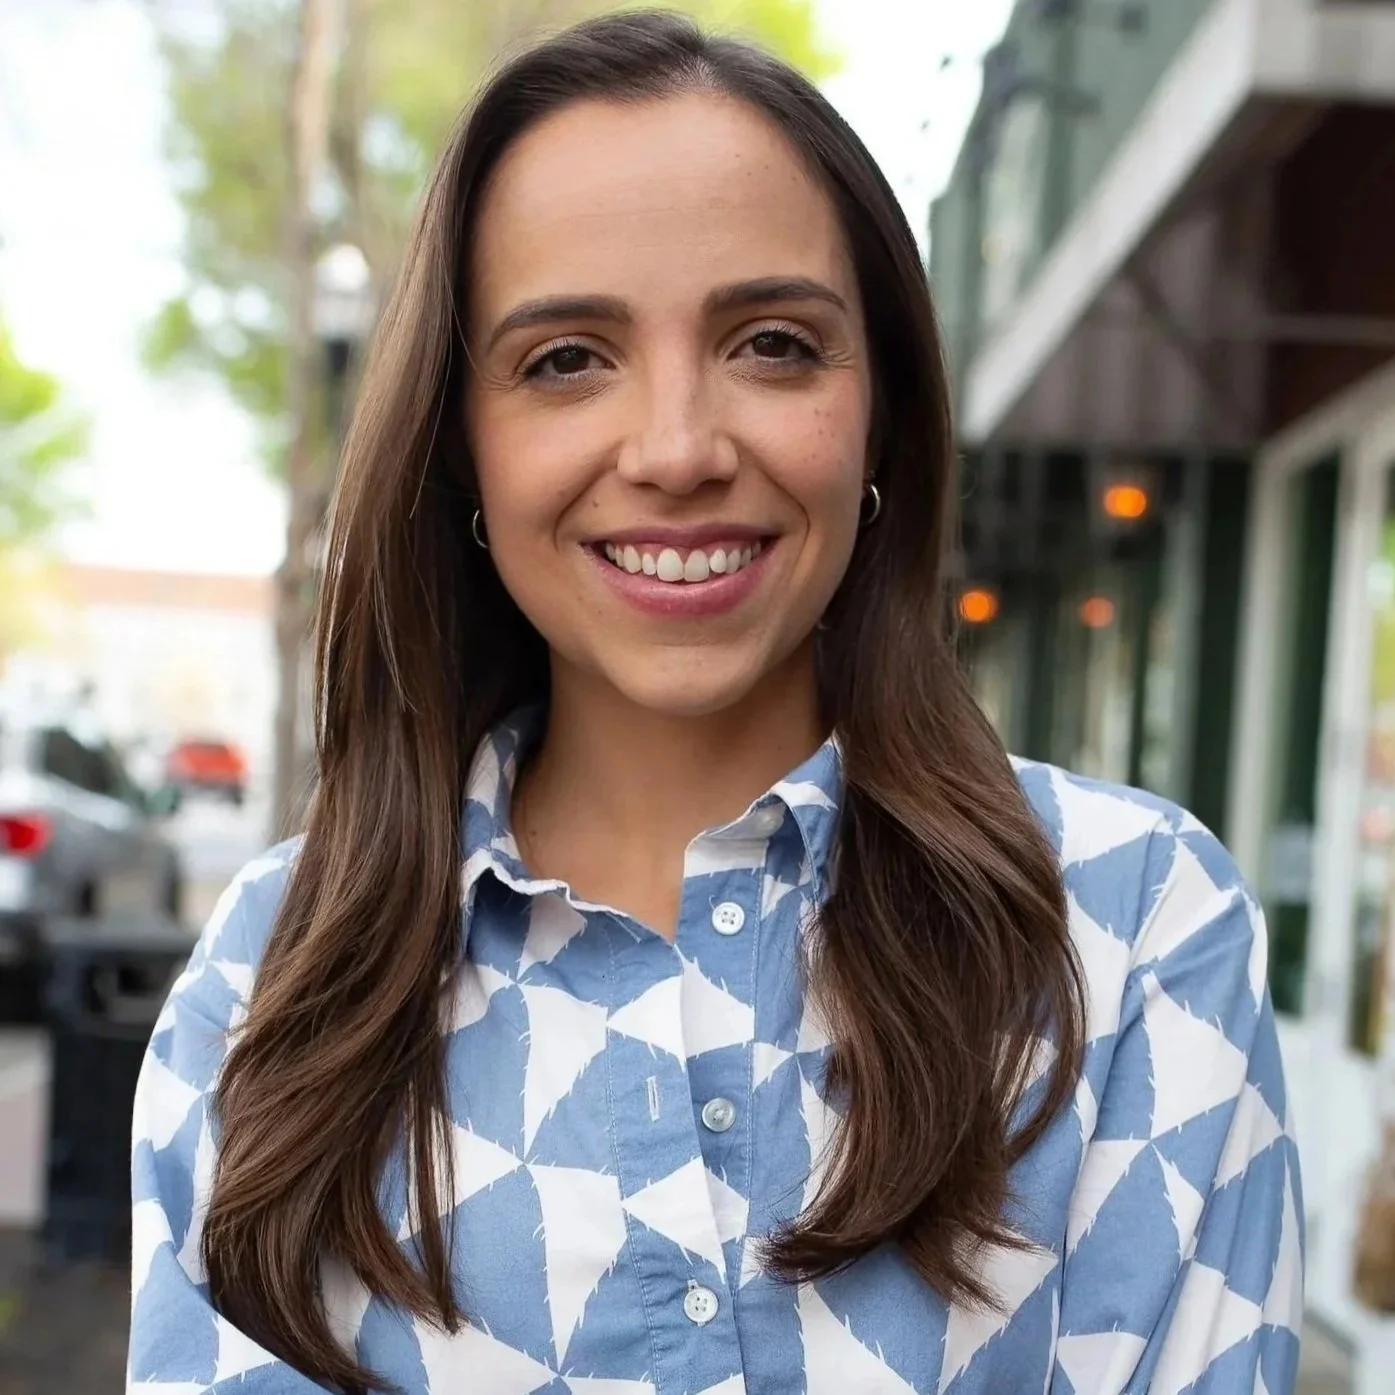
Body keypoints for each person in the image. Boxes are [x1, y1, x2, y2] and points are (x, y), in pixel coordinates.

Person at [128, 11, 1303, 1394]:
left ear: (879, 412)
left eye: (772, 344)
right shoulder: (279, 974)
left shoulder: (1127, 923)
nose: (678, 448)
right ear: (461, 442)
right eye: (566, 357)